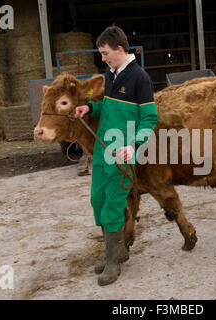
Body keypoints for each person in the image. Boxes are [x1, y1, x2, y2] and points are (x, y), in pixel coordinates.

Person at [74, 26, 158, 286]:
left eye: (105, 53)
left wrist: (133, 145)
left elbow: (149, 118)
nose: (103, 58)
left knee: (112, 203)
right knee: (97, 199)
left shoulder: (139, 78)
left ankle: (112, 261)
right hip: (101, 150)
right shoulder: (110, 75)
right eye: (101, 53)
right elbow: (108, 107)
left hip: (122, 152)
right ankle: (118, 250)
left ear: (120, 50)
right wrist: (89, 107)